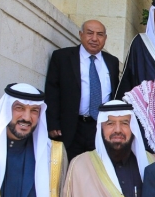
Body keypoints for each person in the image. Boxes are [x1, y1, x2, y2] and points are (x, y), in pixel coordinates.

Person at [45, 20, 120, 159]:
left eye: (100, 34)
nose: (94, 38)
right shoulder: (62, 57)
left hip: (101, 127)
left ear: (105, 38)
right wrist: (52, 123)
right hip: (71, 126)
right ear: (81, 34)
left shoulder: (112, 62)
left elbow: (115, 93)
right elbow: (52, 92)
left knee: (96, 167)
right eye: (90, 33)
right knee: (69, 167)